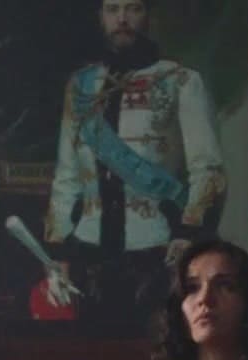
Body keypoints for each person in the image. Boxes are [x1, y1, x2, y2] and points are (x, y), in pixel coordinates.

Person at [44, 0, 227, 335]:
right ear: (100, 17)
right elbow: (67, 176)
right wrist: (58, 255)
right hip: (89, 253)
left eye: (133, 9)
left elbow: (208, 170)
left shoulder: (181, 82)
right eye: (113, 9)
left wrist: (188, 234)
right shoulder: (80, 86)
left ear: (149, 15)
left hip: (157, 253)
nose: (123, 19)